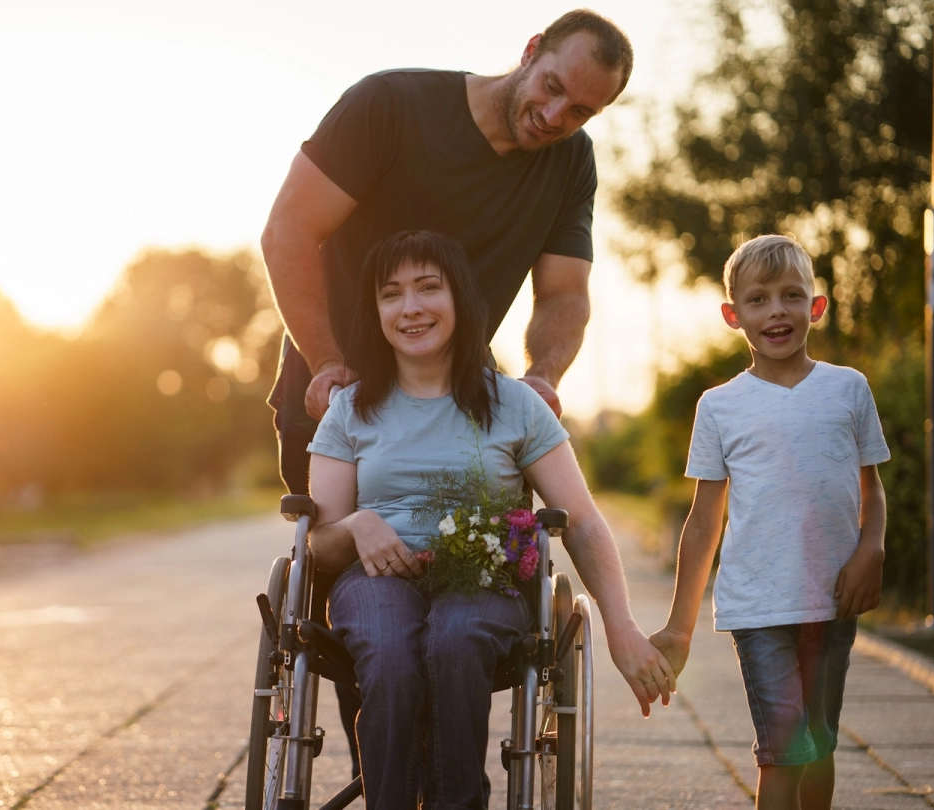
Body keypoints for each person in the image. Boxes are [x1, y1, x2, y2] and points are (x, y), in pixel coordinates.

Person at [260, 8, 636, 768]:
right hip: (334, 388)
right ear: (530, 53)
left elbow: (564, 294)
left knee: (465, 602)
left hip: (459, 396)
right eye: (554, 87)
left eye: (583, 110)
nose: (557, 116)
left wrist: (542, 376)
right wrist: (331, 362)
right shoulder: (391, 107)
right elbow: (289, 232)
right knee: (364, 611)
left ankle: (436, 774)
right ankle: (392, 769)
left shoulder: (570, 164)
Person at [309, 230, 675, 809]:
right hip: (376, 577)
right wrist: (357, 525)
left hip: (487, 577)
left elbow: (579, 519)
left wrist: (621, 626)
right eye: (392, 293)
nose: (411, 308)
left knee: (455, 641)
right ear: (375, 310)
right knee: (390, 654)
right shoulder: (348, 411)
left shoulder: (515, 405)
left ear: (461, 301)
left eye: (429, 287)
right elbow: (319, 545)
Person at [648, 235, 890, 810]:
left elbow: (871, 488)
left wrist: (871, 549)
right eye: (758, 300)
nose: (776, 310)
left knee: (821, 745)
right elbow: (704, 522)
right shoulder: (719, 406)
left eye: (790, 296)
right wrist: (679, 628)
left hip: (833, 602)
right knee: (784, 749)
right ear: (734, 316)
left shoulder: (848, 389)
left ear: (816, 306)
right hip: (758, 608)